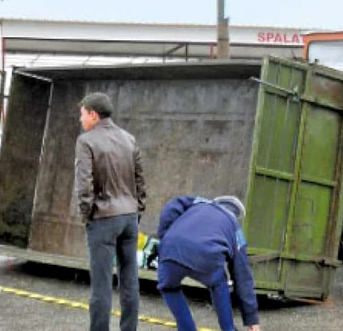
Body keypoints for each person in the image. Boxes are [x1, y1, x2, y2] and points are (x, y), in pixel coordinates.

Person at [75, 92, 147, 331]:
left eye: (82, 114)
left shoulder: (86, 141)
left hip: (103, 218)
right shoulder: (129, 139)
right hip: (129, 217)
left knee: (101, 287)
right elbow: (140, 180)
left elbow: (84, 183)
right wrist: (137, 211)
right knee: (130, 282)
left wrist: (87, 214)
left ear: (93, 115)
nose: (81, 119)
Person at [157, 195, 260, 331]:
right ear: (237, 216)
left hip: (170, 250)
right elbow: (243, 276)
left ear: (216, 202)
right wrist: (251, 319)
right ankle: (228, 329)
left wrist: (165, 237)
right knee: (219, 284)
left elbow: (171, 207)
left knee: (168, 287)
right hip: (207, 258)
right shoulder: (235, 227)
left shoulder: (198, 202)